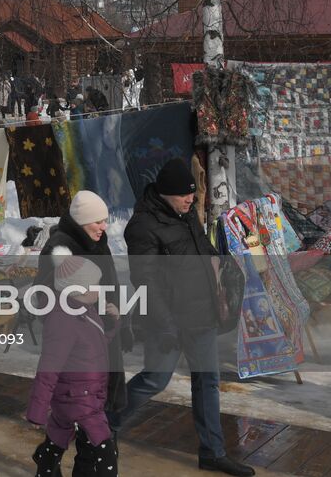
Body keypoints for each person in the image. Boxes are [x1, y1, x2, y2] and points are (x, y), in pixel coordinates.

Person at [112, 159, 255, 477]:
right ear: (165, 194)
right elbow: (144, 279)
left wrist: (222, 270)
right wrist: (163, 325)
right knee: (155, 379)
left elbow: (201, 249)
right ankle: (104, 426)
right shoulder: (142, 226)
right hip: (168, 319)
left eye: (192, 194)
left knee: (208, 383)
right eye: (184, 195)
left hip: (200, 313)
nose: (192, 199)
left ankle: (213, 453)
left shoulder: (187, 214)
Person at [27, 255, 121, 477]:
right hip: (78, 398)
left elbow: (93, 346)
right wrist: (36, 412)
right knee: (106, 451)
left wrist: (114, 323)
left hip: (85, 393)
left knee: (58, 439)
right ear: (78, 289)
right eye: (94, 285)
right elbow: (48, 369)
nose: (99, 289)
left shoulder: (83, 310)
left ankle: (45, 465)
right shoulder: (63, 320)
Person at [37, 190, 126, 416]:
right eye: (98, 221)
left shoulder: (98, 242)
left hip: (105, 334)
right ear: (82, 221)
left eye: (105, 220)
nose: (104, 226)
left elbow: (111, 286)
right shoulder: (58, 248)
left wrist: (119, 319)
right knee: (82, 410)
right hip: (79, 345)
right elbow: (44, 297)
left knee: (102, 407)